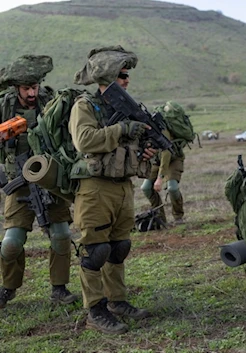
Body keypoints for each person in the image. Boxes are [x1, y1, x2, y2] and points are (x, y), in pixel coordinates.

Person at [69, 45, 155, 334]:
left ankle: (117, 301)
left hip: (122, 187)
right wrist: (122, 130)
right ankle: (95, 310)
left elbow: (124, 147)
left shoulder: (124, 109)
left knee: (119, 248)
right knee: (96, 250)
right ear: (107, 76)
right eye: (122, 75)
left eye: (128, 75)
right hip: (95, 188)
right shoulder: (86, 105)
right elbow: (85, 141)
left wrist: (141, 153)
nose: (127, 80)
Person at [0, 55, 76, 309]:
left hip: (50, 179)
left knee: (61, 235)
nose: (32, 93)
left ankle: (59, 288)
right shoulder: (4, 106)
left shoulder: (51, 103)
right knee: (11, 243)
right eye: (26, 89)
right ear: (16, 88)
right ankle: (8, 288)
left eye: (35, 87)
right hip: (18, 180)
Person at [140, 101, 186, 225]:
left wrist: (160, 178)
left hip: (174, 159)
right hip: (157, 161)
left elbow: (167, 153)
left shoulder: (161, 130)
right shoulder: (143, 130)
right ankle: (160, 217)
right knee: (146, 188)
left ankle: (178, 217)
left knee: (172, 188)